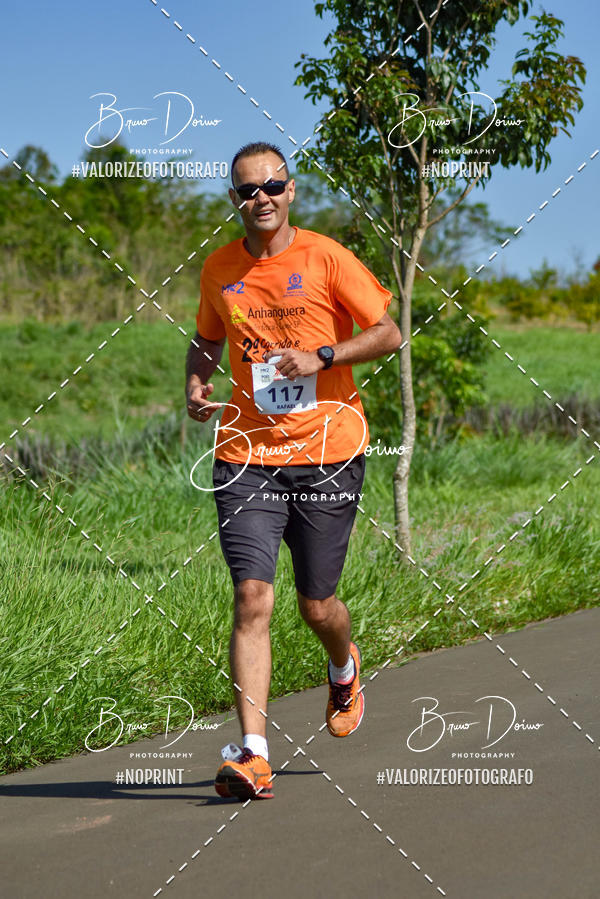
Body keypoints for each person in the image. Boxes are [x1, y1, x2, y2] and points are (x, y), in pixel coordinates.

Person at [185, 141, 402, 801]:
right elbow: (207, 337)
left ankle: (343, 662)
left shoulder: (325, 256)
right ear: (234, 199)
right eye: (249, 190)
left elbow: (389, 332)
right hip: (245, 454)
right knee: (253, 597)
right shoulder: (219, 269)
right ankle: (253, 753)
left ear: (292, 189)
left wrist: (323, 354)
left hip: (329, 450)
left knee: (316, 604)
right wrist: (196, 385)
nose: (262, 198)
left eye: (273, 186)